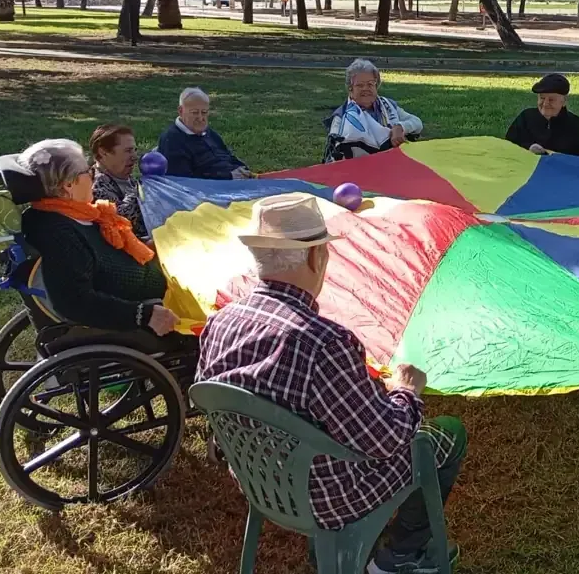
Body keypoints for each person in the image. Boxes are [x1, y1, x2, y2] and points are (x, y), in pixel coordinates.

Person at [196, 193, 466, 574]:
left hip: (260, 481)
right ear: (315, 256)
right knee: (447, 434)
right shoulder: (322, 343)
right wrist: (406, 390)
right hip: (331, 497)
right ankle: (402, 554)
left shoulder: (219, 324)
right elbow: (386, 440)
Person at [16, 138, 178, 335]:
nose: (93, 175)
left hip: (157, 274)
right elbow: (74, 301)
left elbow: (103, 253)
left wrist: (148, 246)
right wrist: (144, 314)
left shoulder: (75, 213)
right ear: (68, 184)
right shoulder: (59, 233)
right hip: (155, 300)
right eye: (89, 171)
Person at [323, 59, 425, 163]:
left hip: (394, 165)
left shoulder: (387, 105)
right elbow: (333, 156)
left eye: (370, 84)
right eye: (360, 85)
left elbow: (417, 123)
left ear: (376, 86)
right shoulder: (341, 117)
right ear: (350, 88)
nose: (365, 89)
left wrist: (400, 127)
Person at [157, 87, 254, 180]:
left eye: (204, 112)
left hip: (235, 183)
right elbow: (184, 180)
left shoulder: (208, 132)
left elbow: (227, 155)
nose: (200, 118)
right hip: (210, 191)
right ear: (181, 111)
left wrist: (243, 169)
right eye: (195, 113)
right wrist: (228, 176)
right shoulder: (172, 139)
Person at [504, 73, 579, 158]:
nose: (545, 104)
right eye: (542, 98)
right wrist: (529, 147)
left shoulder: (577, 125)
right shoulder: (525, 117)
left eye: (551, 100)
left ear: (564, 101)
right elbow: (507, 146)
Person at [89, 123, 148, 242]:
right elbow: (122, 220)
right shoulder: (96, 187)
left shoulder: (124, 177)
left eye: (134, 150)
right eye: (128, 151)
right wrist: (140, 189)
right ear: (103, 152)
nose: (134, 157)